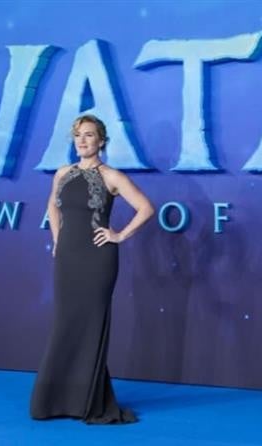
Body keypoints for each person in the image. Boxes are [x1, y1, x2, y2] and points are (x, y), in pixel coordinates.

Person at [30, 114, 154, 424]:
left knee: (90, 328)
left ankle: (85, 400)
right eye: (78, 135)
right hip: (68, 258)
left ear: (101, 141)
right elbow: (52, 206)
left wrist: (119, 235)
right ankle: (59, 399)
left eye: (89, 135)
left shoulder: (111, 176)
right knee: (66, 324)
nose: (82, 140)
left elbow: (146, 208)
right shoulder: (63, 173)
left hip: (98, 260)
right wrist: (57, 240)